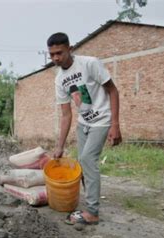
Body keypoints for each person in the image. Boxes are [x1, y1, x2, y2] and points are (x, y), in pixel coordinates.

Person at [47, 32, 122, 226]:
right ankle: (88, 205)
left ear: (70, 49)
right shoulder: (59, 80)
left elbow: (113, 91)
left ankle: (92, 212)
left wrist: (115, 124)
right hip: (84, 123)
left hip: (102, 119)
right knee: (81, 164)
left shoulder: (89, 63)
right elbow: (66, 115)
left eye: (59, 53)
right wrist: (59, 146)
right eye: (52, 54)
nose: (56, 58)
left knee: (88, 159)